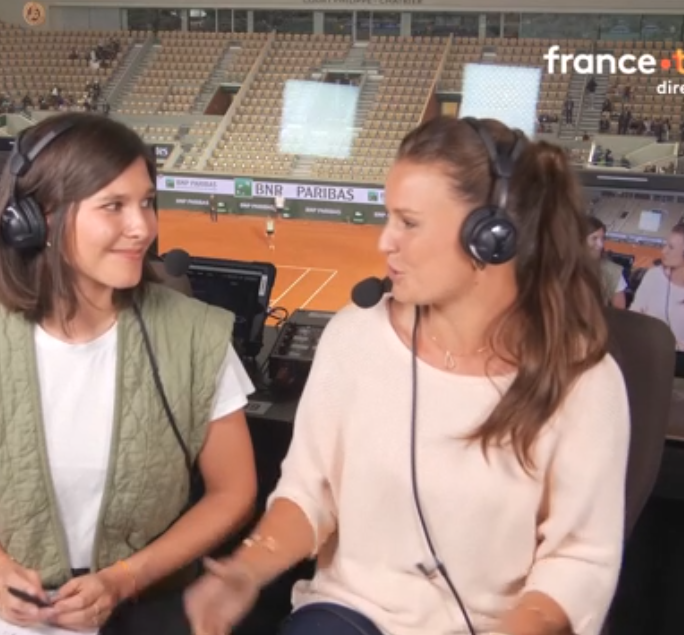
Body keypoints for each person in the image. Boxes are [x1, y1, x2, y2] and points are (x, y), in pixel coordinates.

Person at [184, 117, 630, 635]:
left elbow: (579, 560)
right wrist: (247, 569)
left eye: (409, 223)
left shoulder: (586, 382)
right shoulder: (354, 337)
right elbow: (309, 493)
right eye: (388, 217)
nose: (385, 242)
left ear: (491, 237)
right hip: (349, 615)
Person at [0, 113, 257, 634]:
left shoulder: (197, 336)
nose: (143, 227)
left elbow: (233, 490)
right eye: (113, 206)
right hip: (12, 615)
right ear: (35, 219)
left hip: (150, 599)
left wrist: (125, 578)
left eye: (146, 202)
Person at [630, 223, 684, 351]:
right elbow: (634, 316)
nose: (664, 251)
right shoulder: (653, 276)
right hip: (648, 352)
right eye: (665, 245)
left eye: (671, 247)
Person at [586, 216, 627, 308]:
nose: (600, 245)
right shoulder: (564, 269)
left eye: (602, 238)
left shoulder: (612, 272)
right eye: (594, 238)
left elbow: (620, 311)